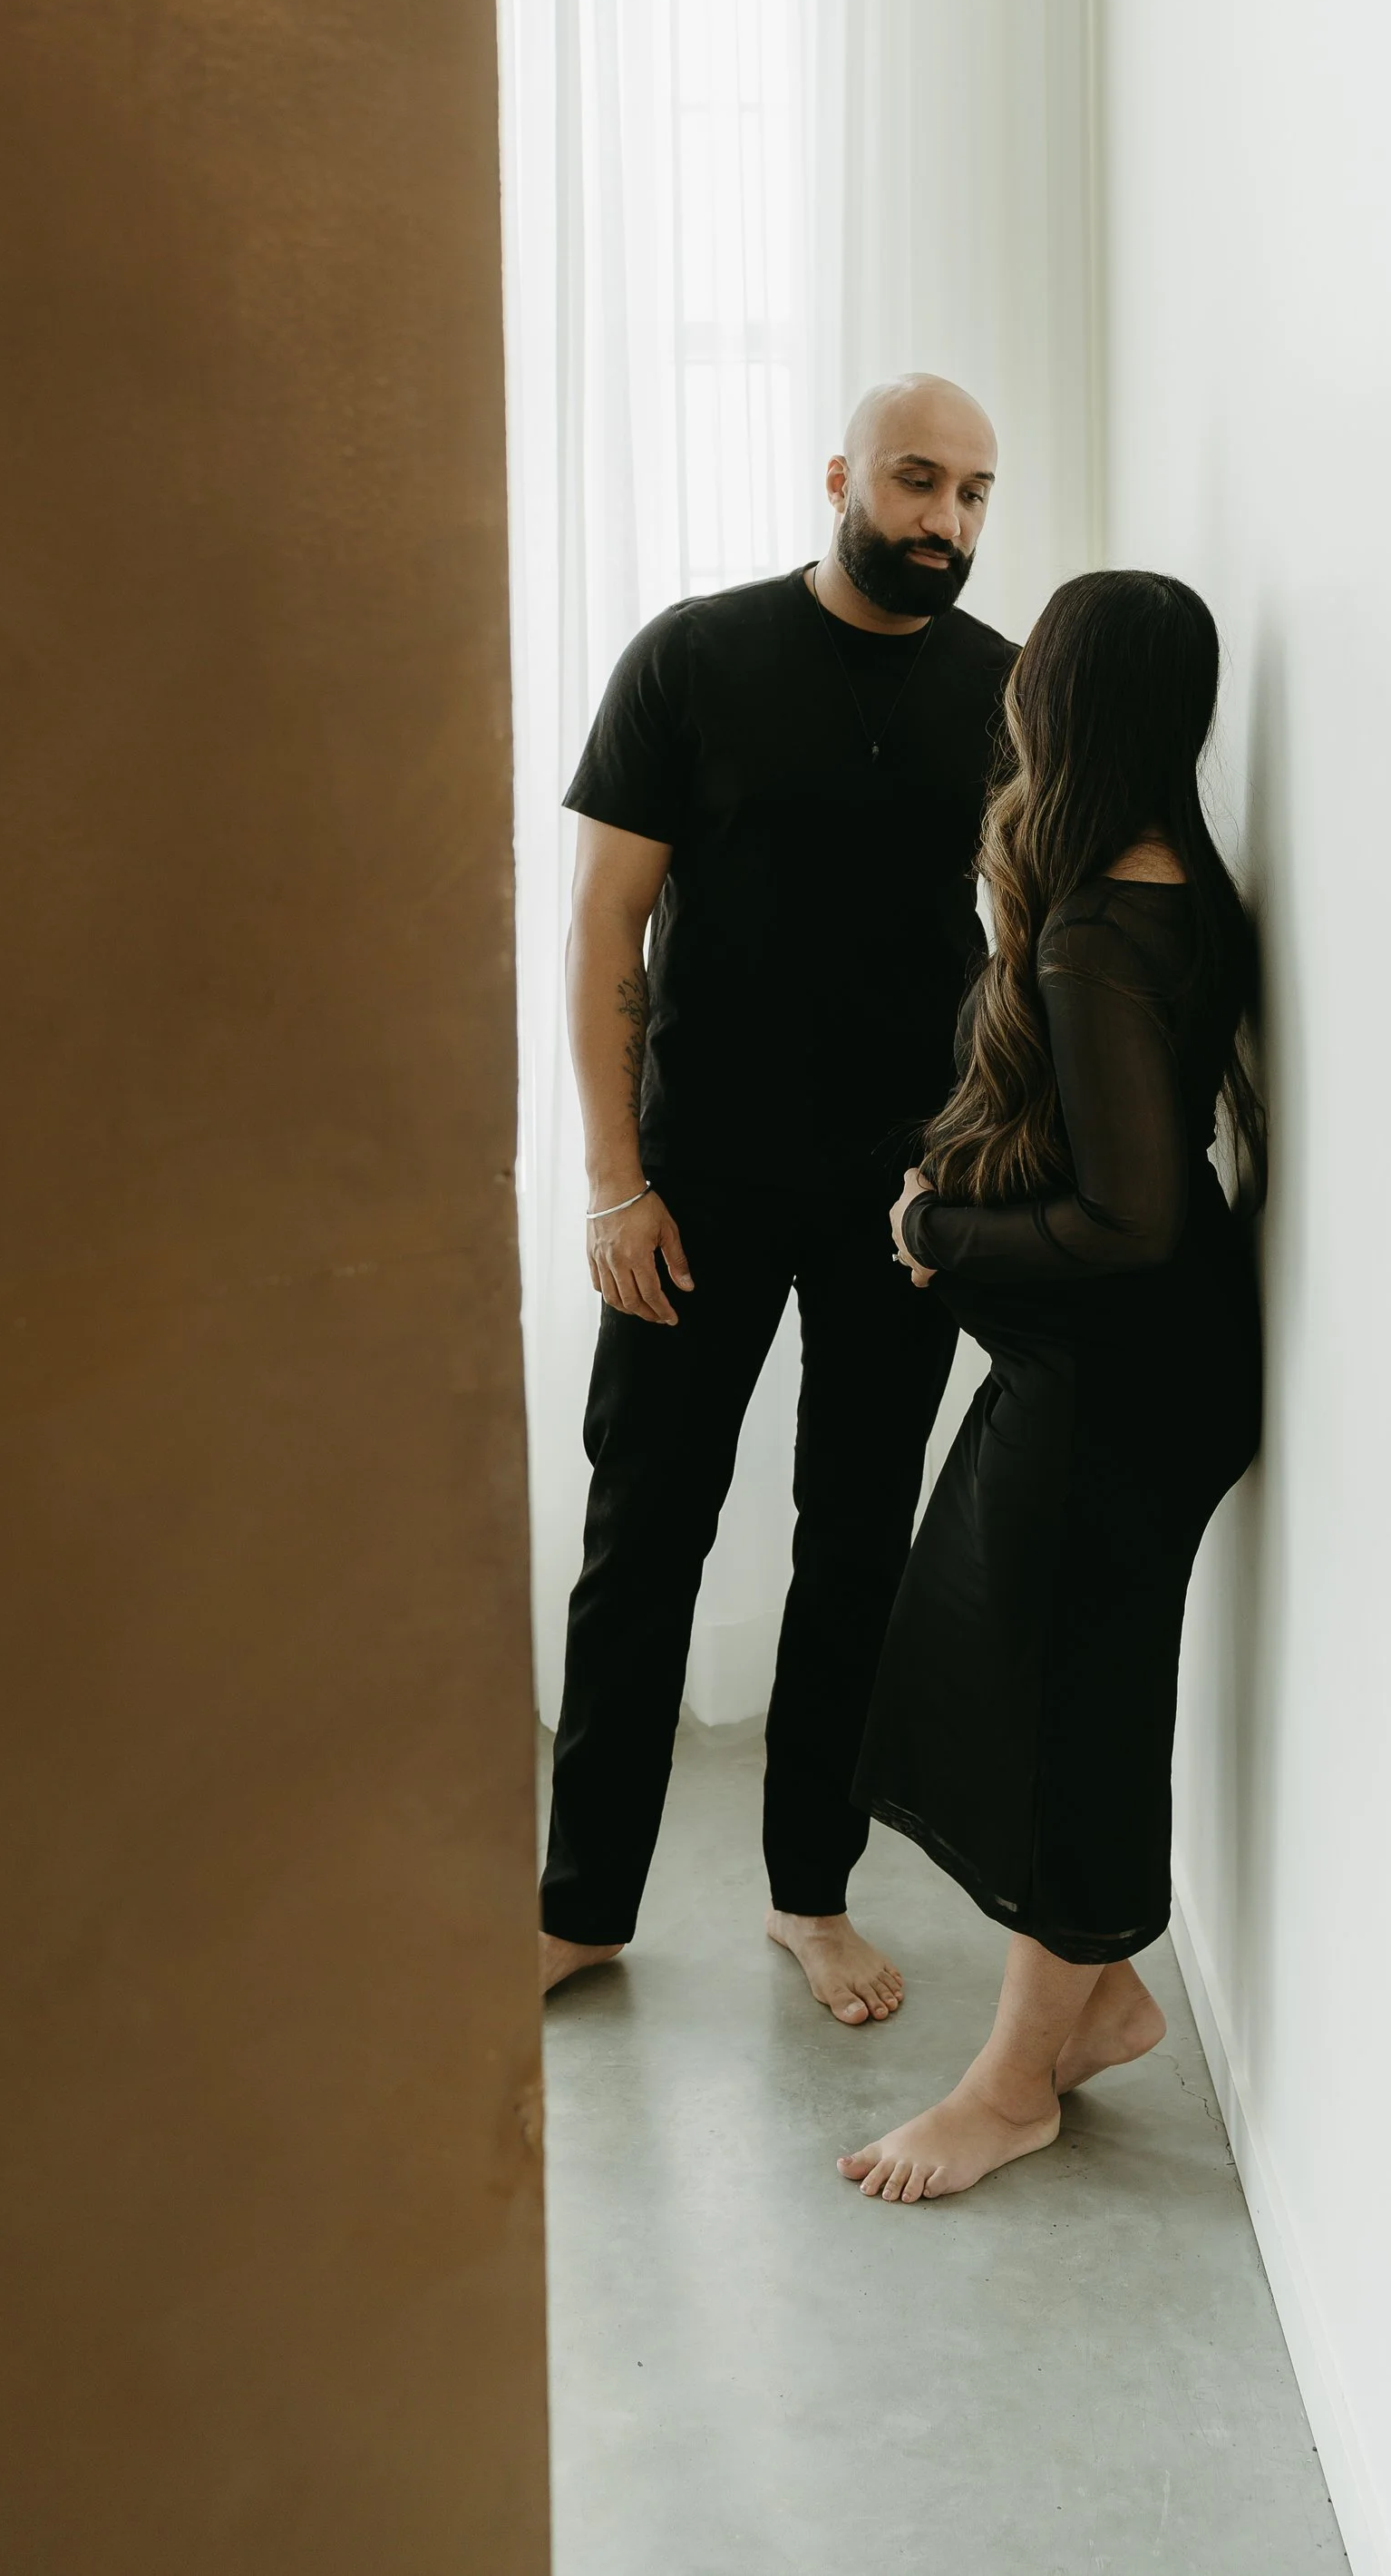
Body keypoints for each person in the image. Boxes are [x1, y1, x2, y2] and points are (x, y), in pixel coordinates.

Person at [540, 376, 1016, 2024]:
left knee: (856, 1552)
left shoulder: (1003, 688)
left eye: (970, 494)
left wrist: (979, 1168)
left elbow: (1024, 949)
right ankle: (582, 1903)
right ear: (841, 479)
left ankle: (809, 1894)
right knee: (641, 1538)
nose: (943, 522)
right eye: (913, 482)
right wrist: (614, 1187)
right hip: (694, 1188)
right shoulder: (693, 656)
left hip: (906, 1206)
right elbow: (607, 927)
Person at [837, 569, 1267, 2196]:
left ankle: (1017, 2080)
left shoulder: (1100, 922)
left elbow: (1128, 1218)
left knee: (1061, 1709)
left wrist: (939, 1225)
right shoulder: (1165, 877)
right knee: (1015, 1662)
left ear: (1065, 704)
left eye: (1034, 674)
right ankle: (1096, 2002)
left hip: (1128, 1380)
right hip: (1136, 1371)